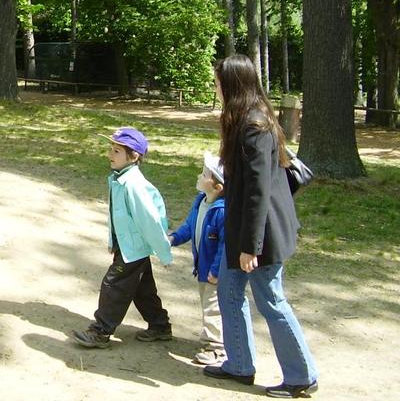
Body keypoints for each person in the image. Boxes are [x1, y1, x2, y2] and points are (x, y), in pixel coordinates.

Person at [204, 55, 318, 399]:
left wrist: (249, 248)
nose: (215, 88)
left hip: (261, 236)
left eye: (218, 82)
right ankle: (239, 364)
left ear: (232, 85)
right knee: (228, 292)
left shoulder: (255, 126)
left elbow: (258, 193)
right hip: (242, 229)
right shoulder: (242, 119)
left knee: (271, 300)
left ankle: (301, 377)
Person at [71, 126, 173, 349]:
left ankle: (100, 331)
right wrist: (113, 242)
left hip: (133, 248)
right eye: (111, 149)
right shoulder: (120, 179)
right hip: (127, 247)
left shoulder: (134, 185)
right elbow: (117, 217)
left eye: (116, 151)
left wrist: (164, 253)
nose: (110, 154)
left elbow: (150, 222)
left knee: (113, 285)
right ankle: (160, 325)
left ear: (133, 157)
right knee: (142, 288)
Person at [169, 151, 227, 365]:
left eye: (204, 175)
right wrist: (174, 238)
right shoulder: (200, 201)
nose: (198, 176)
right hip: (202, 268)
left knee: (213, 308)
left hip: (213, 272)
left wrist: (216, 271)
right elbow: (190, 225)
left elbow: (224, 245)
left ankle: (216, 349)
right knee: (206, 304)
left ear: (217, 187)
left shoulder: (222, 211)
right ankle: (211, 342)